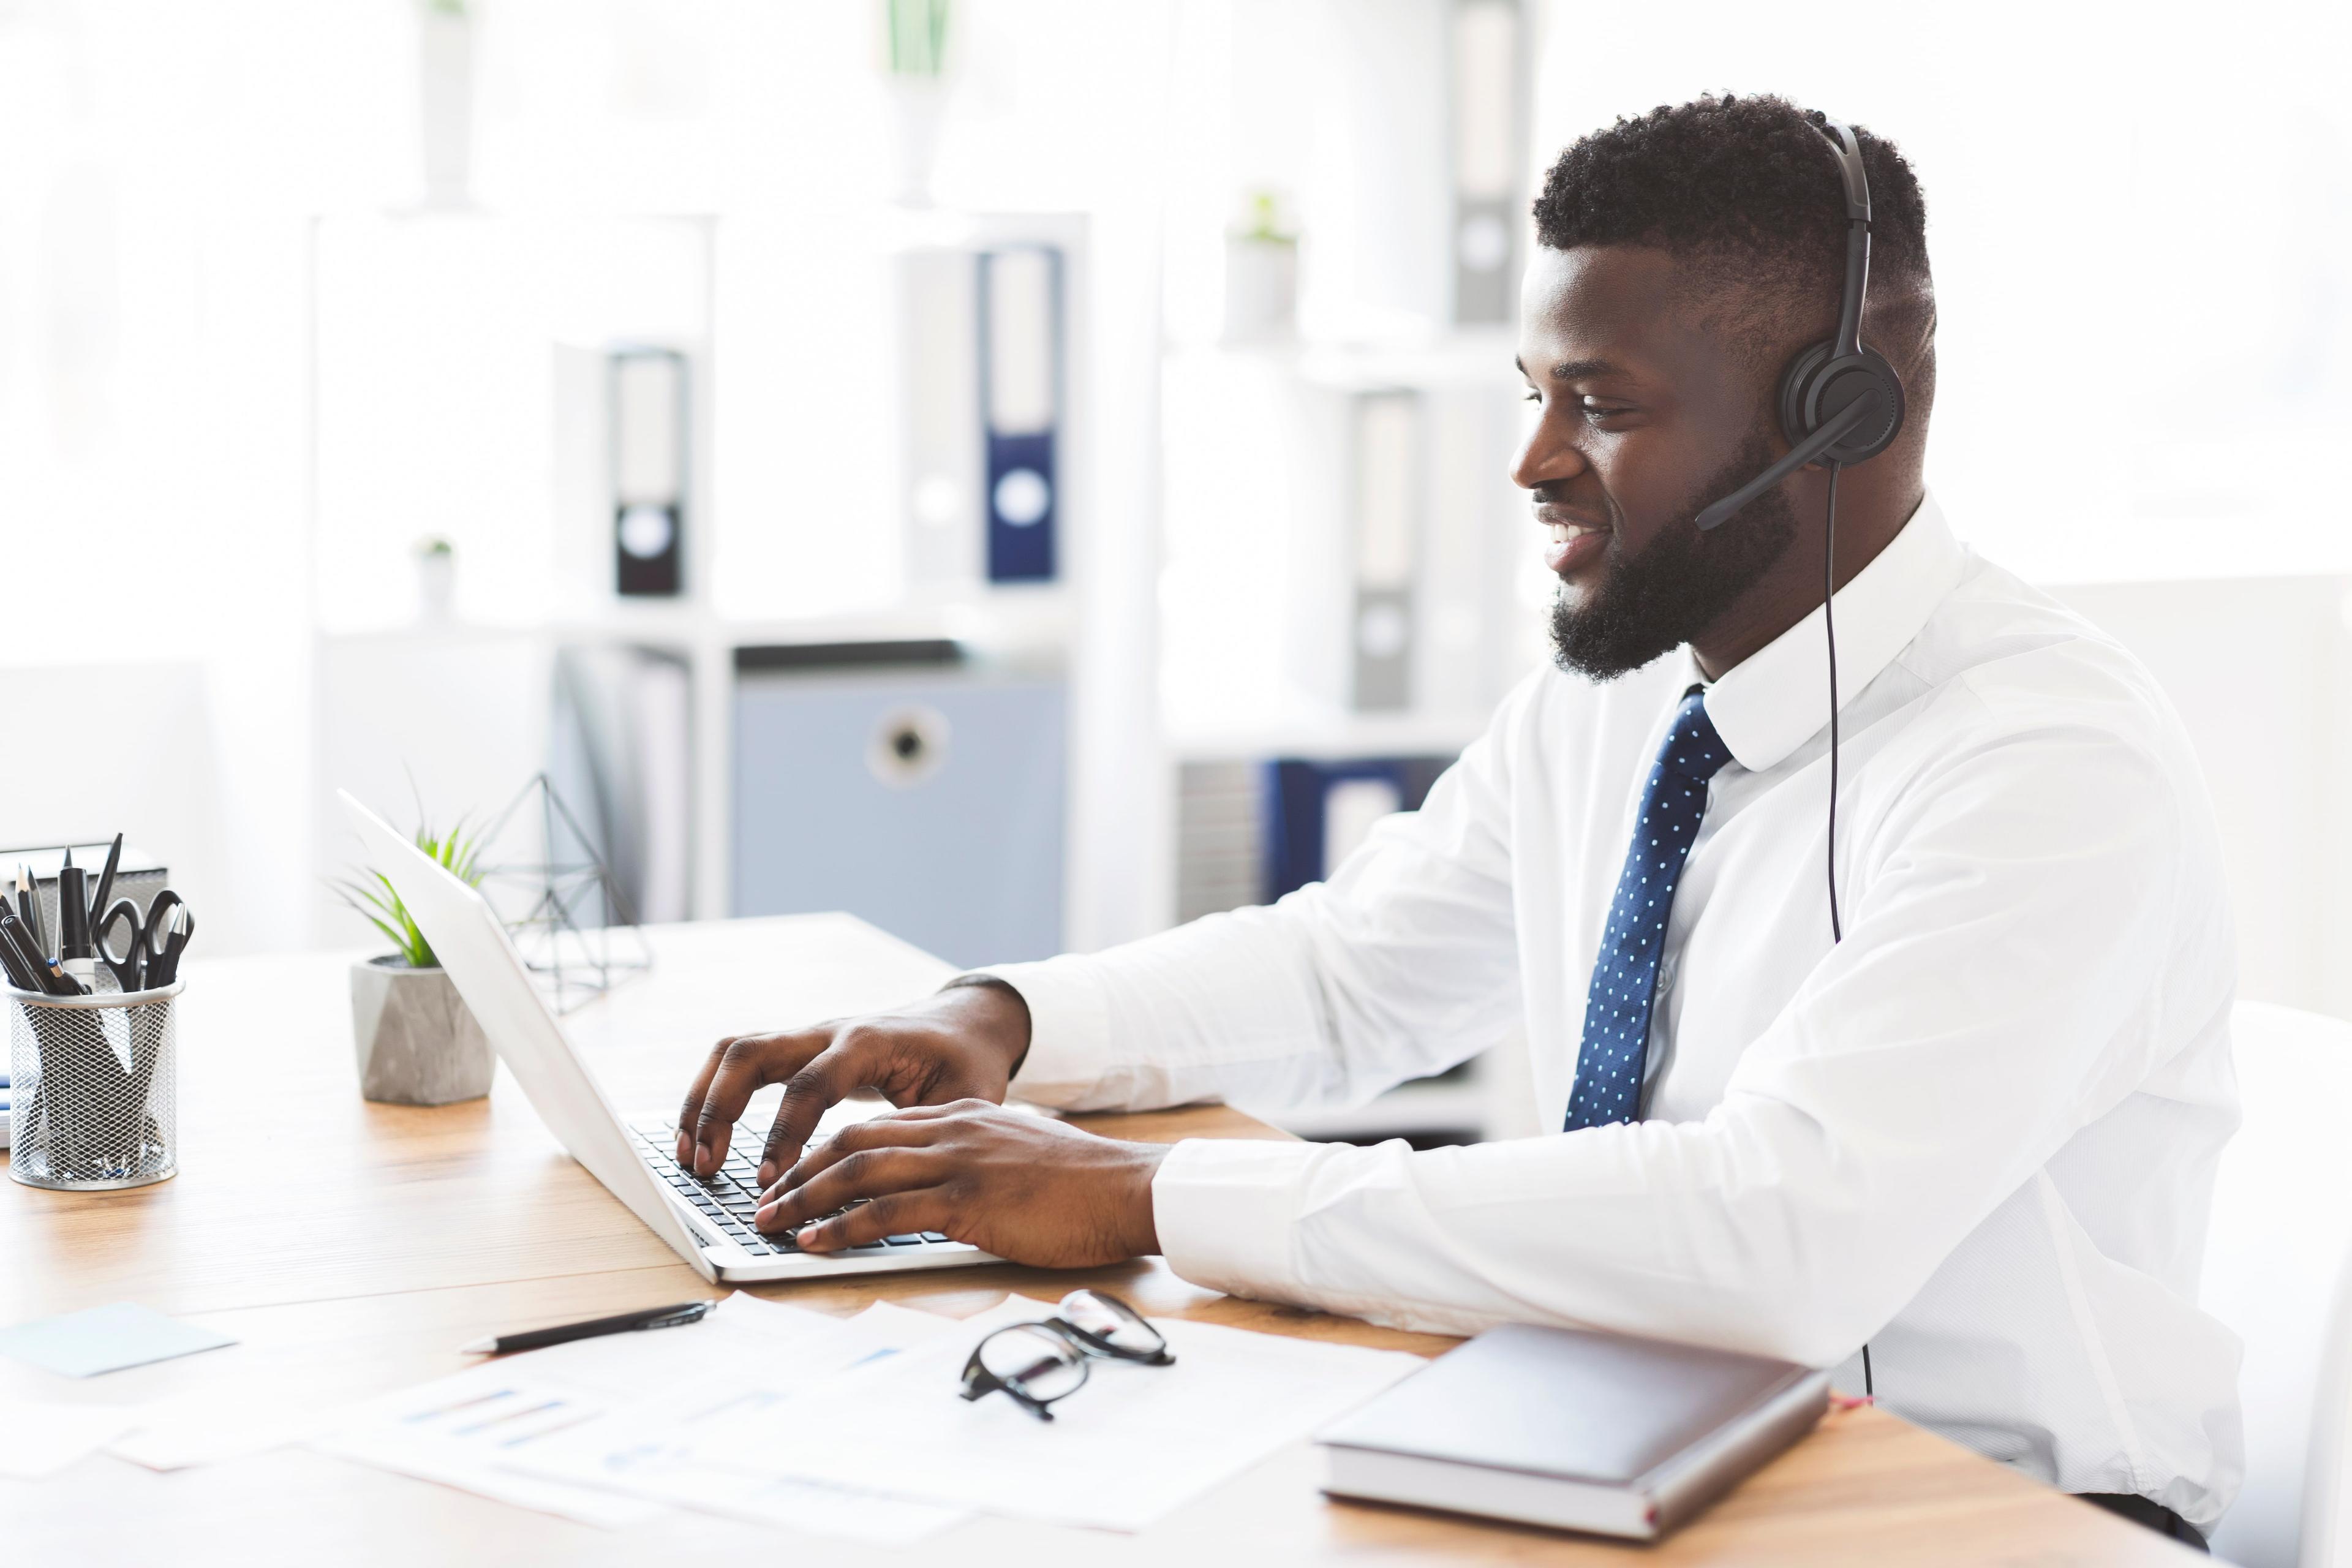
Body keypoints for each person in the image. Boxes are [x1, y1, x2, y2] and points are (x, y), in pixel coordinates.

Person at [677, 94, 2238, 1545]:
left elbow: (1779, 1232)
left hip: (1984, 1517)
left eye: (1601, 406)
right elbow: (1353, 974)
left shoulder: (2043, 763)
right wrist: (1005, 1020)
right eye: (1535, 393)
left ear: (1836, 416)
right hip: (1652, 1445)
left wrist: (1145, 1194)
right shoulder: (1630, 682)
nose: (1534, 461)